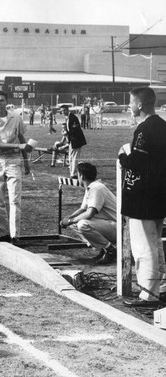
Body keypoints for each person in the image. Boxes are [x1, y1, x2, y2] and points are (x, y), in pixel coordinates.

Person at [118, 86, 166, 307]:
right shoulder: (162, 126)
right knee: (155, 243)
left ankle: (149, 293)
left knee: (144, 247)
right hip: (158, 194)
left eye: (130, 103)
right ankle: (160, 286)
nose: (129, 107)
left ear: (140, 104)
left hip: (143, 197)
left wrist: (123, 155)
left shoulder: (145, 129)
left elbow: (136, 162)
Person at [0, 90, 32, 245]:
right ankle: (3, 233)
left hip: (13, 160)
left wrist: (26, 161)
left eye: (2, 100)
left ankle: (15, 236)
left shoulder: (16, 117)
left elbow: (22, 138)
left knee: (15, 199)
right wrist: (19, 145)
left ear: (7, 102)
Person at [60, 162, 117, 264]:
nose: (77, 177)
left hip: (118, 227)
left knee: (82, 224)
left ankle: (111, 250)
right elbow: (83, 209)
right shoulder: (91, 187)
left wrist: (69, 220)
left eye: (78, 174)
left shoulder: (96, 188)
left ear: (82, 176)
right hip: (109, 224)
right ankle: (104, 249)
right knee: (75, 224)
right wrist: (68, 219)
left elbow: (90, 213)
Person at [60, 104, 86, 179]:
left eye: (64, 110)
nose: (63, 112)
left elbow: (76, 130)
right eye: (61, 111)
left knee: (74, 157)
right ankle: (72, 172)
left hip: (76, 140)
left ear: (67, 110)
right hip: (71, 140)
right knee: (71, 157)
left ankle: (73, 173)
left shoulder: (73, 117)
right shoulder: (67, 118)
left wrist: (67, 133)